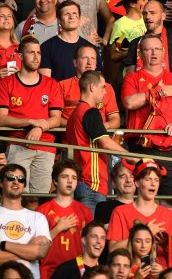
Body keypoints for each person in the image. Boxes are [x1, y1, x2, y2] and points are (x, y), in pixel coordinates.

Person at [121, 33, 172, 195]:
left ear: (163, 52)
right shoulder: (132, 78)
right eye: (148, 50)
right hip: (142, 147)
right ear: (140, 54)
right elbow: (129, 103)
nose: (153, 53)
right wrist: (159, 91)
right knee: (141, 199)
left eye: (157, 49)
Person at [0, 36, 63, 193]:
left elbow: (56, 118)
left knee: (40, 197)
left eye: (39, 53)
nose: (36, 57)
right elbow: (1, 119)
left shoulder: (52, 84)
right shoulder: (6, 83)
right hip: (17, 144)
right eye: (31, 53)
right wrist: (30, 122)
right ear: (20, 56)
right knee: (16, 195)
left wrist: (40, 127)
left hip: (46, 146)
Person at [66, 70, 129, 211]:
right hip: (92, 184)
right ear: (92, 87)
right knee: (93, 231)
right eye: (103, 87)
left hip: (83, 182)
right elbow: (105, 143)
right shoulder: (91, 112)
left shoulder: (75, 114)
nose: (105, 92)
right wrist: (131, 157)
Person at [107, 160, 172, 268]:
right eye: (148, 179)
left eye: (156, 180)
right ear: (137, 182)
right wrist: (147, 231)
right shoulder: (120, 212)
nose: (153, 183)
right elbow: (112, 250)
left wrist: (166, 247)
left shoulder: (168, 215)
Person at [37, 159, 93, 277]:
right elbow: (36, 247)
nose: (70, 181)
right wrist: (58, 228)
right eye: (64, 177)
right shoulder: (42, 211)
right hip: (48, 271)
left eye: (74, 177)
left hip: (77, 271)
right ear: (55, 181)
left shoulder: (85, 212)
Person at [0, 164, 52, 277]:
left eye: (21, 179)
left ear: (24, 185)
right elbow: (34, 252)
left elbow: (41, 252)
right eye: (10, 178)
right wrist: (28, 247)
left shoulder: (38, 217)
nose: (16, 182)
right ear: (1, 182)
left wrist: (5, 245)